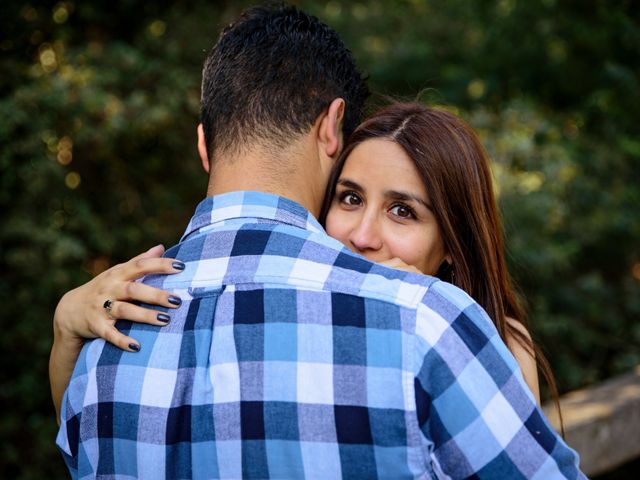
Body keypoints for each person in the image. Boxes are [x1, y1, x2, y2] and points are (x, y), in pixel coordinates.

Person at [52, 4, 584, 479]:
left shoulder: (106, 339)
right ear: (333, 127)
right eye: (349, 198)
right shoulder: (427, 325)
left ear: (203, 146)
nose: (363, 235)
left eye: (403, 210)